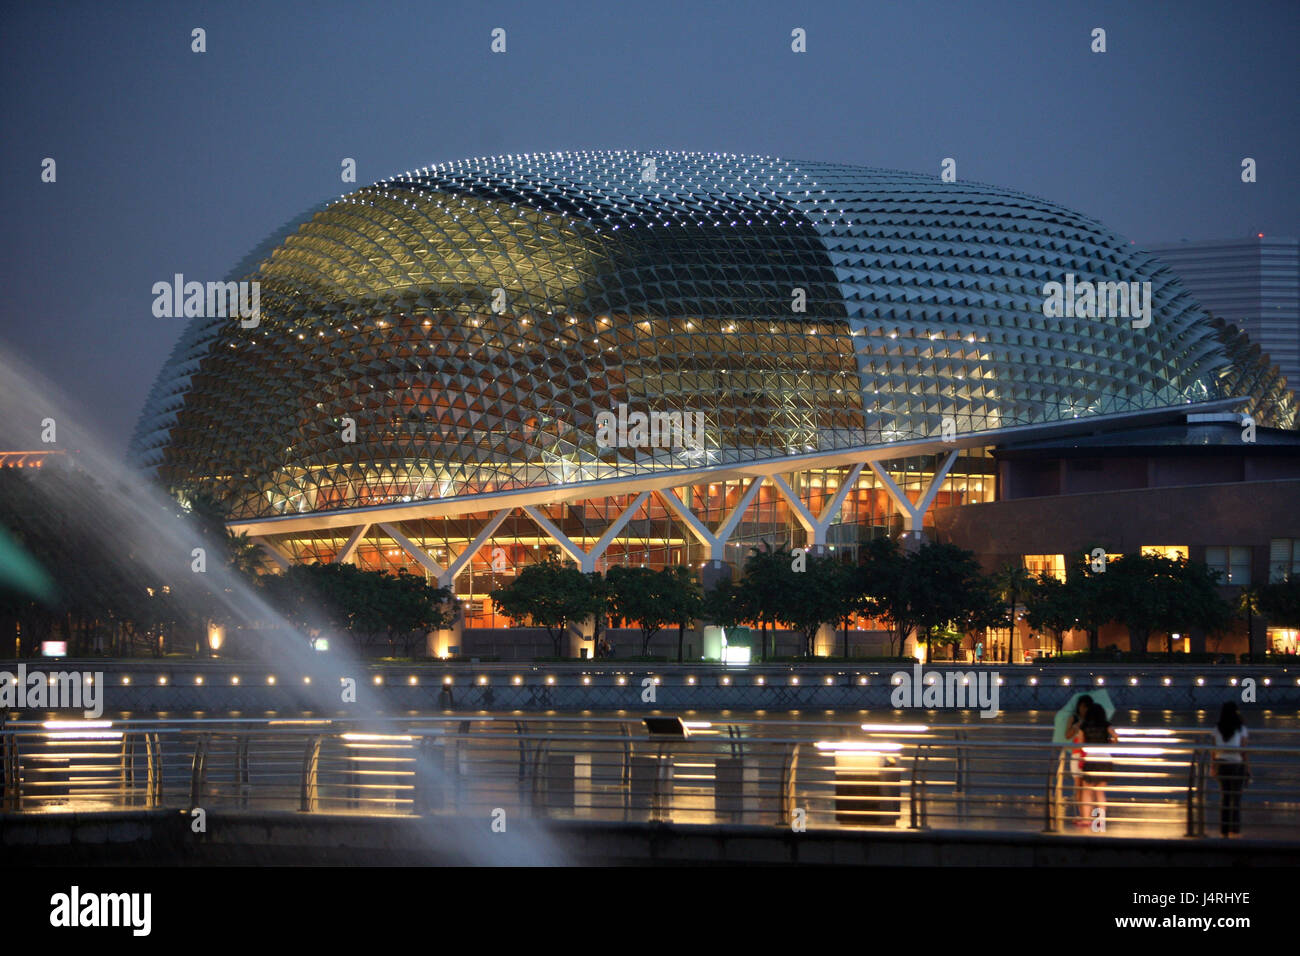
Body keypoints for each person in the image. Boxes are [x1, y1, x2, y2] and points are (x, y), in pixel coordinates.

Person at [1074, 702, 1118, 830]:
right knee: (1100, 792)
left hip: (1091, 759)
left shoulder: (1084, 726)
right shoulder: (1106, 725)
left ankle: (1087, 820)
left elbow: (1080, 744)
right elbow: (1116, 736)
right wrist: (1110, 742)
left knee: (1087, 791)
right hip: (1105, 760)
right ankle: (1100, 821)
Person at [1211, 701, 1249, 837]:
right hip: (1236, 764)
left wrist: (1213, 767)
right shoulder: (1241, 728)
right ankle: (1235, 828)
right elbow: (1244, 751)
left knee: (1225, 797)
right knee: (1236, 798)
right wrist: (1248, 769)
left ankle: (1224, 829)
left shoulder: (1217, 728)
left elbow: (1214, 750)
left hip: (1221, 764)